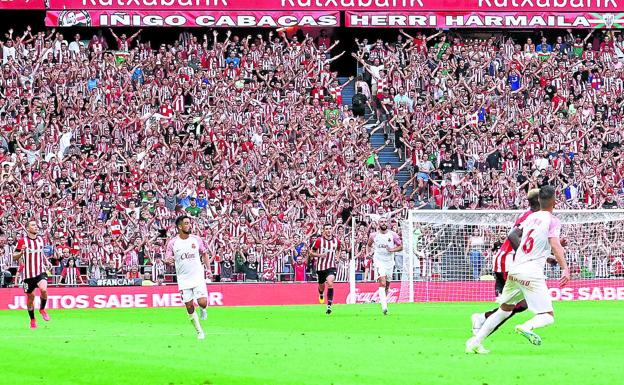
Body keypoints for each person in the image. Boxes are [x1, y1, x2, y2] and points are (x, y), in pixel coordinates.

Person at [466, 186, 571, 354]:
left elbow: (529, 243)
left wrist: (548, 256)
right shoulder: (552, 220)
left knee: (504, 310)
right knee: (547, 316)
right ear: (554, 202)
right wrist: (565, 268)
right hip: (531, 272)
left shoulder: (530, 219)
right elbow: (554, 244)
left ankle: (475, 343)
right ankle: (525, 326)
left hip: (515, 269)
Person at [471, 189, 541, 335]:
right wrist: (525, 257)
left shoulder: (531, 215)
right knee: (512, 306)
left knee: (521, 305)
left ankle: (482, 323)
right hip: (508, 262)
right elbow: (513, 236)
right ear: (539, 201)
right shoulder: (531, 217)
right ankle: (480, 327)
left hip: (507, 261)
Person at [165, 215, 213, 340]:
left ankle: (203, 309)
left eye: (189, 223)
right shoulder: (172, 243)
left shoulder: (196, 239)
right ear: (180, 227)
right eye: (186, 223)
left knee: (202, 302)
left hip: (197, 276)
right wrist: (168, 261)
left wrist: (208, 270)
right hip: (183, 279)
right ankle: (199, 332)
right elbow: (167, 258)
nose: (189, 225)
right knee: (189, 306)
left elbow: (204, 253)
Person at [12, 220, 52, 329]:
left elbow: (40, 252)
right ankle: (32, 319)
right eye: (33, 225)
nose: (36, 227)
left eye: (36, 225)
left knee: (43, 290)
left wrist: (46, 261)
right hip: (27, 275)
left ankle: (42, 309)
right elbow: (14, 257)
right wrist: (21, 252)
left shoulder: (40, 239)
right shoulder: (22, 241)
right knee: (31, 299)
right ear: (28, 228)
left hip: (39, 271)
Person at [367, 217, 402, 315]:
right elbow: (368, 245)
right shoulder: (373, 235)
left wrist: (392, 250)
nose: (383, 223)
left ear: (388, 223)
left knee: (386, 285)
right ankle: (384, 307)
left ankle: (383, 301)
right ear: (378, 224)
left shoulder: (393, 235)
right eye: (381, 222)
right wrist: (369, 253)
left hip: (389, 263)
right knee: (382, 282)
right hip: (378, 261)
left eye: (385, 221)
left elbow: (400, 246)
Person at [309, 224, 341, 315]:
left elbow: (338, 249)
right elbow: (311, 253)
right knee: (321, 285)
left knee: (330, 283)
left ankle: (329, 305)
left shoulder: (336, 241)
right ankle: (321, 293)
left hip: (331, 266)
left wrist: (337, 257)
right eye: (326, 229)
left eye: (330, 228)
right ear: (323, 230)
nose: (328, 230)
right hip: (320, 267)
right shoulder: (319, 241)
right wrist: (320, 255)